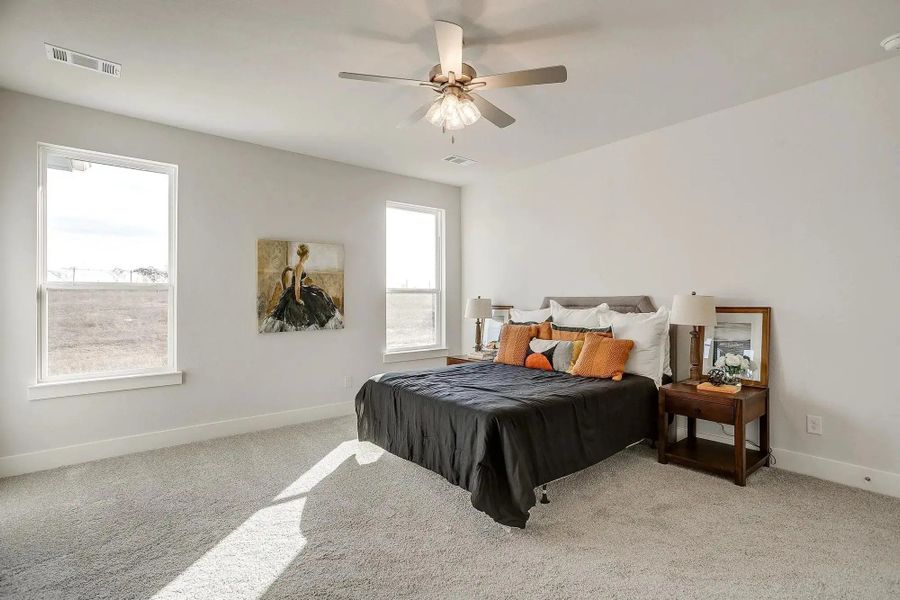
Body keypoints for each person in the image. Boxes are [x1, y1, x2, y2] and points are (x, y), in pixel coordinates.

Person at [260, 244, 343, 332]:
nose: (308, 255)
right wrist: (298, 298)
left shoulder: (300, 265)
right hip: (297, 291)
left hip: (300, 288)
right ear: (306, 254)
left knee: (320, 294)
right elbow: (297, 285)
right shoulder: (300, 266)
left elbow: (299, 279)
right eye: (308, 254)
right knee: (316, 299)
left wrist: (307, 281)